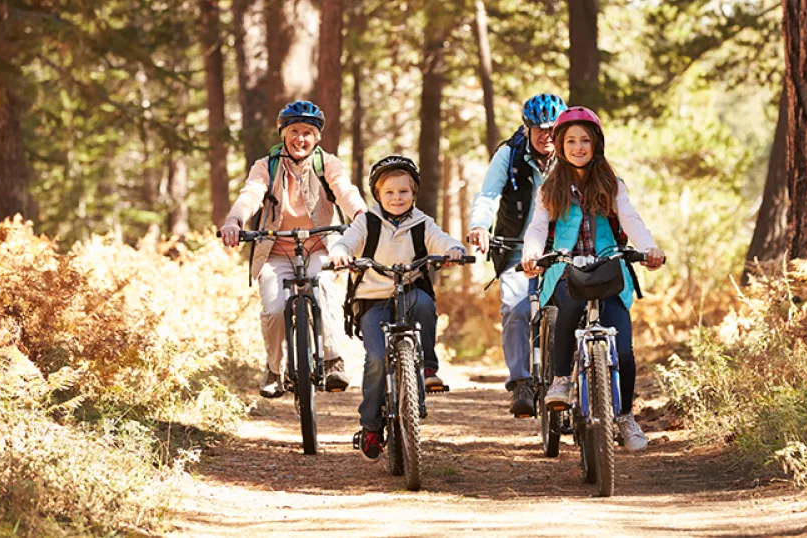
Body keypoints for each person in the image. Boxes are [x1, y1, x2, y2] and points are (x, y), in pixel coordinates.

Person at [521, 106, 665, 453]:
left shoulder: (611, 184)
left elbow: (630, 219)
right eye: (570, 140)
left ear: (597, 144)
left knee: (625, 348)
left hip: (608, 268)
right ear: (558, 145)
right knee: (567, 307)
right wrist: (532, 254)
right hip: (565, 266)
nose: (578, 147)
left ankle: (626, 416)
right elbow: (539, 227)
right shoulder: (549, 188)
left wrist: (648, 249)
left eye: (585, 140)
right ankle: (559, 380)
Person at [220, 100, 367, 398]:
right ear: (283, 135)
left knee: (325, 292)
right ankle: (274, 369)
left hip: (320, 247)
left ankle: (333, 360)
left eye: (308, 133)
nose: (301, 138)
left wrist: (362, 215)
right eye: (294, 131)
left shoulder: (327, 164)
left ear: (317, 138)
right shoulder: (266, 166)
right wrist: (234, 219)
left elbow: (345, 191)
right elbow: (251, 194)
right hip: (276, 251)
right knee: (274, 310)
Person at [328, 155, 466, 461]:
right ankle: (371, 426)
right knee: (376, 358)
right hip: (373, 298)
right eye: (389, 192)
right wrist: (339, 254)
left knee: (426, 306)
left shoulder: (422, 223)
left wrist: (454, 250)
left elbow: (441, 241)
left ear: (413, 193)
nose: (397, 198)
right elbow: (345, 242)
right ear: (378, 195)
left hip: (410, 290)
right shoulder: (367, 221)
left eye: (403, 192)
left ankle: (428, 368)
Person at [466, 93, 568, 416]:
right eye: (538, 128)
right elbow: (488, 195)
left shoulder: (572, 153)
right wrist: (481, 226)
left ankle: (574, 383)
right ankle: (521, 381)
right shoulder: (508, 155)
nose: (545, 135)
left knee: (571, 309)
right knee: (516, 308)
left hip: (561, 247)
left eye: (552, 129)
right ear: (526, 128)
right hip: (515, 246)